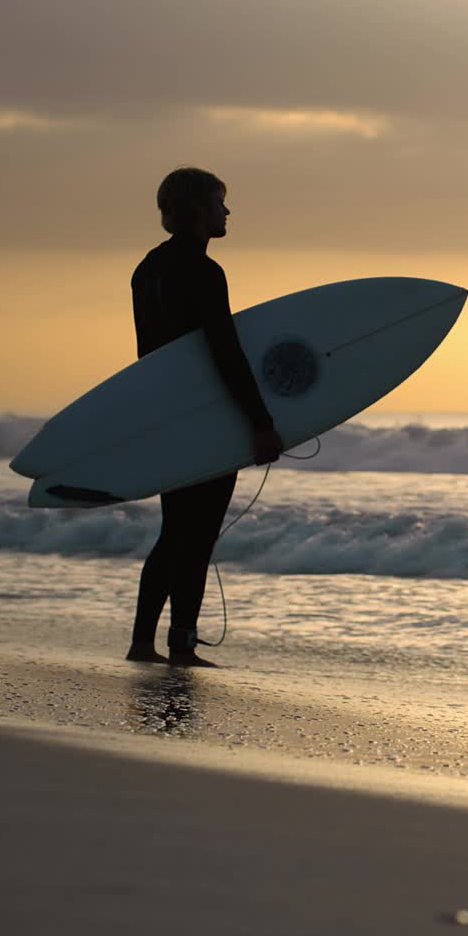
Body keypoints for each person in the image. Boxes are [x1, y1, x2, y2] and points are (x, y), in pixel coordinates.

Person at [126, 168, 282, 667]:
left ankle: (142, 642)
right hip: (208, 416)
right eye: (219, 202)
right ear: (196, 208)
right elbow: (225, 353)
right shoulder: (203, 272)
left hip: (167, 415)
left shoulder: (146, 269)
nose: (226, 212)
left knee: (175, 530)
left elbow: (150, 356)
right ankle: (182, 646)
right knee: (196, 535)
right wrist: (259, 421)